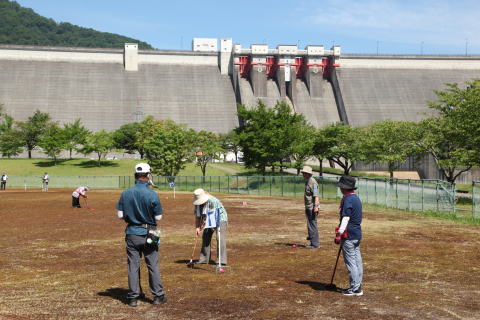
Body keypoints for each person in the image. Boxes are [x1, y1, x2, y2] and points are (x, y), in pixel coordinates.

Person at [116, 163, 166, 307]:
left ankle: (133, 297)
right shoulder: (152, 194)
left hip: (132, 232)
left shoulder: (126, 193)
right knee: (153, 264)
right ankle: (158, 296)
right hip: (151, 232)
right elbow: (158, 218)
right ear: (148, 175)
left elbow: (120, 215)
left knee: (133, 265)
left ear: (135, 175)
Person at [334, 175, 363, 296]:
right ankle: (358, 286)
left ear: (344, 188)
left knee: (351, 262)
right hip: (357, 233)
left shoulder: (347, 199)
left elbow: (346, 217)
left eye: (341, 187)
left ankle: (354, 288)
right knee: (357, 261)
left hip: (349, 234)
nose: (340, 189)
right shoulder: (356, 198)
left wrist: (339, 233)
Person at [193, 188, 228, 266]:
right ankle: (204, 259)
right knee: (205, 237)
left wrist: (203, 224)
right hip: (208, 219)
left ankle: (222, 260)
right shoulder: (197, 204)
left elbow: (212, 216)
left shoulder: (213, 201)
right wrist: (197, 227)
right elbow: (197, 217)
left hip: (220, 218)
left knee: (220, 238)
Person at [301, 166, 320, 248]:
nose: (302, 174)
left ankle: (315, 244)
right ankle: (312, 238)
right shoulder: (308, 181)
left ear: (307, 174)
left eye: (304, 173)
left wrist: (316, 206)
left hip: (312, 207)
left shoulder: (313, 182)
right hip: (309, 206)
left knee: (312, 224)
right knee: (310, 224)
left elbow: (316, 195)